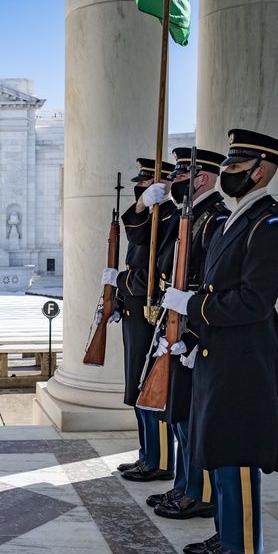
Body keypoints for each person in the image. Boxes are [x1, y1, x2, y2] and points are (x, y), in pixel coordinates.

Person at [162, 129, 278, 554]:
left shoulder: (271, 225)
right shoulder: (240, 218)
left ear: (259, 171)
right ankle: (225, 533)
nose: (226, 176)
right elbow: (219, 287)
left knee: (235, 450)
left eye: (235, 169)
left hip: (244, 353)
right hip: (219, 347)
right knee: (217, 445)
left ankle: (240, 546)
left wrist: (193, 305)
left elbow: (254, 301)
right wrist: (192, 335)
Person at [146, 147, 229, 521]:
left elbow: (212, 284)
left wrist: (192, 335)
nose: (173, 184)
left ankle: (201, 493)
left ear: (203, 179)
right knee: (179, 414)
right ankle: (185, 485)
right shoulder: (189, 217)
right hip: (176, 322)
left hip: (194, 329)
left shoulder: (215, 219)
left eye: (180, 178)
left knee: (193, 418)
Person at [102, 158, 177, 482]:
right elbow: (134, 249)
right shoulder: (151, 220)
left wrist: (119, 281)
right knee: (137, 385)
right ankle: (147, 454)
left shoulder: (171, 219)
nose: (141, 189)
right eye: (141, 185)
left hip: (151, 318)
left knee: (151, 387)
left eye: (146, 185)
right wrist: (118, 302)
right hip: (135, 317)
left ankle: (159, 461)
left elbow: (154, 277)